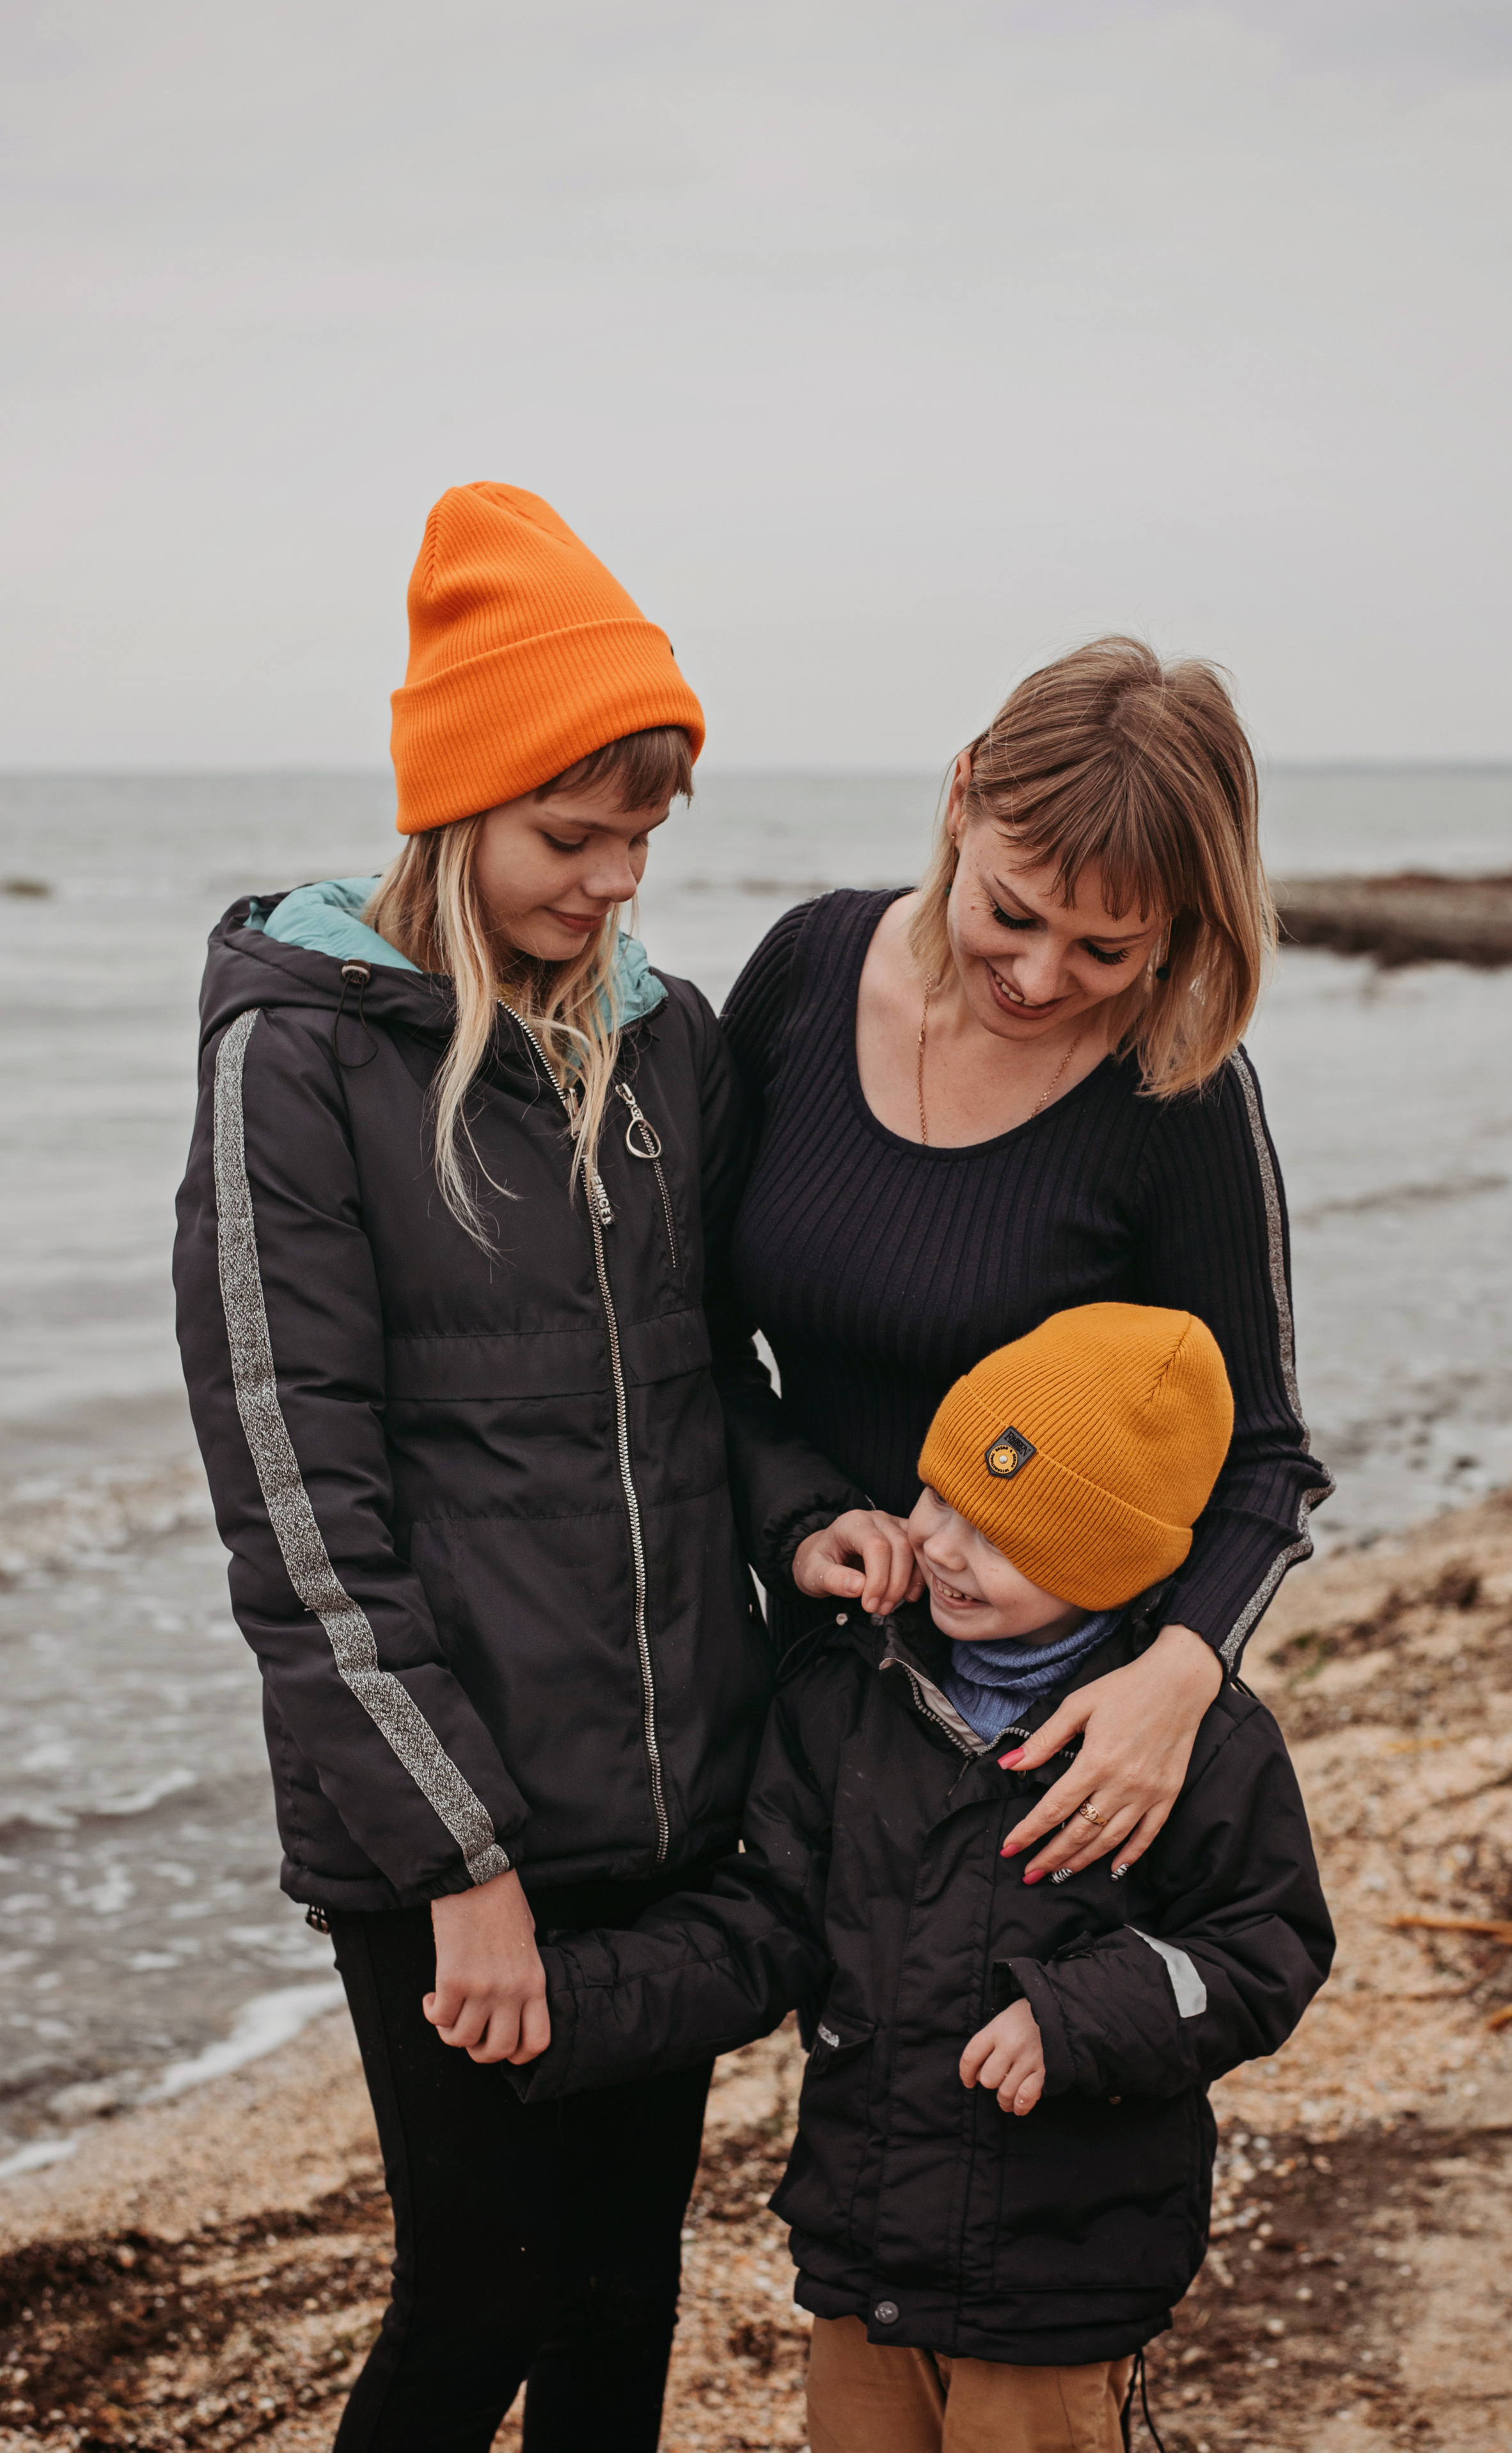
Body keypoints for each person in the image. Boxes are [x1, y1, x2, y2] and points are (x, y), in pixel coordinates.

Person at [171, 482, 859, 2453]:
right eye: (573, 835)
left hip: (669, 1801)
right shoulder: (294, 1059)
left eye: (642, 839)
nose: (614, 883)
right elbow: (300, 1505)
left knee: (620, 2310)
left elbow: (705, 1374)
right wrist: (461, 1863)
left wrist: (803, 1517)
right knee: (475, 2305)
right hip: (445, 1831)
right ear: (455, 800)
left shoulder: (668, 1051)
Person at [513, 1302, 1335, 2453]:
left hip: (1060, 2269)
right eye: (937, 1497)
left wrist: (1080, 2015)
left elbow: (1266, 1951)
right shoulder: (849, 1693)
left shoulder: (1192, 1740)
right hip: (867, 2248)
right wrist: (577, 1999)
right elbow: (772, 1920)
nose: (941, 1544)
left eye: (999, 1534)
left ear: (1105, 1559)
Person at [718, 639, 1334, 1891]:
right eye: (1009, 911)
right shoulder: (801, 971)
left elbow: (1263, 1460)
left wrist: (1175, 1682)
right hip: (817, 1688)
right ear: (960, 800)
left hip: (1049, 1740)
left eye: (1106, 951)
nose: (1040, 978)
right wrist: (797, 1516)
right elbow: (687, 1335)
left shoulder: (1180, 1097)